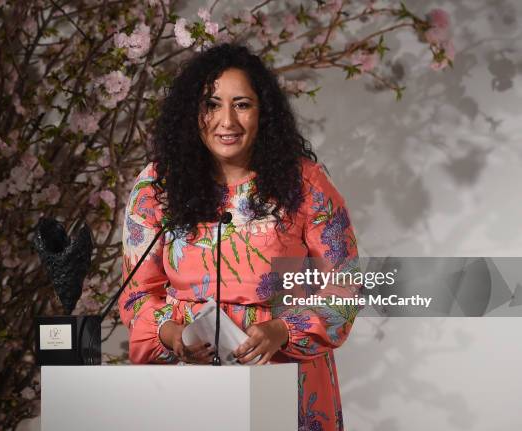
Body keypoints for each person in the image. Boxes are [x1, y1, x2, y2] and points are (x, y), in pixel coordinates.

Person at [118, 43, 361, 431]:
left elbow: (346, 287)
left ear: (263, 113)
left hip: (286, 381)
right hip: (192, 384)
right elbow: (136, 293)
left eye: (242, 104)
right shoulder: (157, 187)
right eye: (211, 104)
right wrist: (173, 333)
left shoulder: (306, 184)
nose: (226, 120)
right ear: (191, 113)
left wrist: (281, 330)